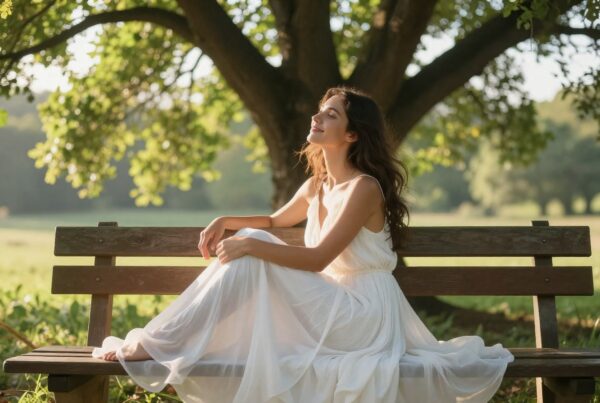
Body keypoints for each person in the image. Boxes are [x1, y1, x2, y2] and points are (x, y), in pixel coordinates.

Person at [92, 86, 514, 402]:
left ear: (352, 135)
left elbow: (316, 258)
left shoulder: (364, 188)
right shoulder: (319, 184)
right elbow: (276, 220)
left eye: (330, 115)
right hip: (332, 302)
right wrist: (225, 221)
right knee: (253, 237)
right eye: (320, 112)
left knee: (253, 243)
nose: (318, 118)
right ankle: (163, 340)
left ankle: (158, 342)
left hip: (364, 315)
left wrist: (250, 244)